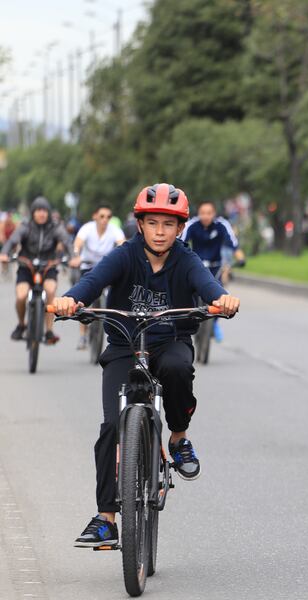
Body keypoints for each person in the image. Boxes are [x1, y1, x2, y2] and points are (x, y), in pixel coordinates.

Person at [51, 183, 240, 547]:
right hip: (124, 345)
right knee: (110, 426)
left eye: (168, 225)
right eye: (152, 222)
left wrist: (222, 299)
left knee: (178, 369)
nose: (159, 231)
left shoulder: (185, 259)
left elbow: (207, 283)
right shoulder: (124, 255)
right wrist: (71, 300)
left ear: (180, 228)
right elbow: (94, 281)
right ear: (139, 224)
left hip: (170, 342)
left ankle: (179, 437)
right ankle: (106, 518)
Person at [0, 196, 74, 344]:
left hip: (49, 266)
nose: (41, 214)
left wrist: (73, 257)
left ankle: (49, 331)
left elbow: (67, 242)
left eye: (44, 210)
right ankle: (21, 325)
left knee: (51, 290)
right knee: (21, 296)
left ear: (48, 212)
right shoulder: (25, 226)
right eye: (38, 210)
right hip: (26, 266)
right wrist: (4, 254)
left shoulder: (55, 226)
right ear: (33, 212)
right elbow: (12, 241)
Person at [180, 200, 245, 341]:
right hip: (197, 268)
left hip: (216, 267)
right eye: (202, 213)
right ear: (198, 214)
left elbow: (234, 244)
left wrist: (241, 258)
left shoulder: (222, 225)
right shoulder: (192, 225)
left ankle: (214, 324)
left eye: (209, 213)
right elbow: (179, 243)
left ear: (214, 214)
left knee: (219, 298)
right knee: (192, 297)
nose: (205, 216)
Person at [69, 204, 125, 349]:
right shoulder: (87, 228)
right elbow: (77, 244)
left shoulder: (114, 230)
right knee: (82, 301)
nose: (105, 220)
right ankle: (82, 336)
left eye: (108, 217)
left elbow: (122, 245)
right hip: (87, 267)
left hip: (107, 269)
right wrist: (76, 255)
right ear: (95, 216)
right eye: (102, 216)